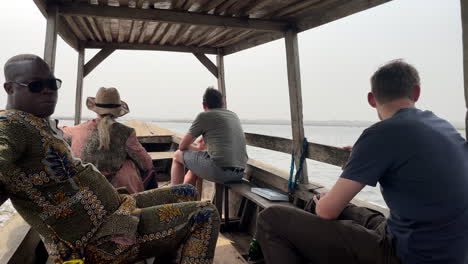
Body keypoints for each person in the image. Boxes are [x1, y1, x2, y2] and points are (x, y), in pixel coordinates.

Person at [0, 54, 220, 264]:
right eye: (36, 86)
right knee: (206, 214)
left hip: (116, 210)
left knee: (187, 192)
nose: (48, 91)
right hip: (101, 236)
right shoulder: (10, 124)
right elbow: (146, 164)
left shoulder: (44, 124)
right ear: (9, 88)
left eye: (52, 84)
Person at [256, 60, 468, 264]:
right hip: (451, 252)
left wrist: (324, 202)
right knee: (345, 209)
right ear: (416, 92)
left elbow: (327, 211)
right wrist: (359, 158)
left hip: (408, 255)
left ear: (371, 99)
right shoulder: (445, 127)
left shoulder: (381, 134)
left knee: (273, 218)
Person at [62, 87, 151, 194]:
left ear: (96, 109)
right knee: (130, 165)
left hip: (81, 188)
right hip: (112, 192)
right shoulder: (126, 133)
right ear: (117, 112)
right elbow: (146, 163)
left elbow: (62, 131)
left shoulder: (77, 130)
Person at [171, 87, 248, 186]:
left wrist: (197, 148)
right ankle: (186, 196)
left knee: (177, 155)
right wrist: (199, 149)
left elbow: (182, 146)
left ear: (204, 105)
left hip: (219, 171)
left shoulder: (204, 116)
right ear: (222, 104)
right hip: (239, 173)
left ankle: (174, 195)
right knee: (195, 167)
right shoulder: (233, 115)